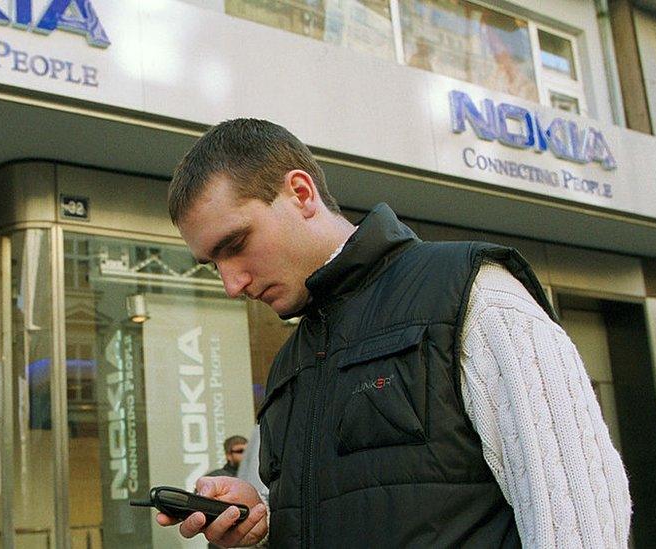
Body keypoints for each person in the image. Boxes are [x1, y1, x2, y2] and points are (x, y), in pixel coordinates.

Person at [156, 119, 631, 547]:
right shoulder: (289, 365)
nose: (232, 284)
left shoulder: (471, 292)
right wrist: (258, 520)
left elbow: (578, 519)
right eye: (213, 265)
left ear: (301, 193)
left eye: (236, 245)